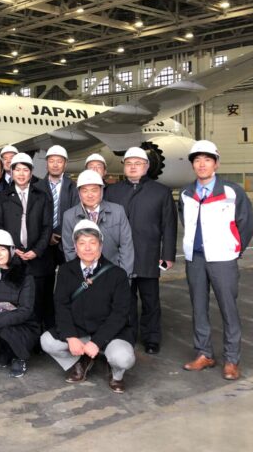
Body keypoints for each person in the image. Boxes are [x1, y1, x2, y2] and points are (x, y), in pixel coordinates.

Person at [178, 140, 253, 381]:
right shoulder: (185, 194)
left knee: (228, 308)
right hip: (195, 259)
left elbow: (246, 224)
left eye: (207, 160)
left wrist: (233, 248)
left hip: (223, 259)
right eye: (197, 160)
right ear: (192, 165)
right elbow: (186, 221)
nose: (202, 164)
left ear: (216, 164)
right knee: (198, 307)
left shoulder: (232, 192)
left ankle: (231, 360)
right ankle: (204, 354)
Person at [41, 220, 135, 393]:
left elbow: (120, 313)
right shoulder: (65, 271)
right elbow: (61, 306)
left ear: (101, 245)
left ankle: (116, 374)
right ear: (75, 247)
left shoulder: (117, 274)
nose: (87, 248)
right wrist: (71, 337)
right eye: (82, 243)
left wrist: (97, 342)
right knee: (47, 341)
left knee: (123, 358)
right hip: (80, 331)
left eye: (92, 242)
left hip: (110, 334)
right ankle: (81, 361)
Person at [105, 147, 177, 354]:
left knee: (150, 300)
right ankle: (127, 336)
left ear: (146, 166)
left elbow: (169, 226)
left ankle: (151, 338)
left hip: (148, 255)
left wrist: (168, 255)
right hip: (119, 257)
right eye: (129, 163)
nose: (133, 167)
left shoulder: (161, 192)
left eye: (138, 163)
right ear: (124, 167)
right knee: (124, 300)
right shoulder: (112, 191)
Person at [0, 153, 53, 333]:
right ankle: (16, 336)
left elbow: (47, 227)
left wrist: (37, 250)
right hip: (12, 259)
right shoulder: (3, 196)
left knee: (38, 301)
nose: (21, 174)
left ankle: (38, 337)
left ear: (31, 173)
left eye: (25, 170)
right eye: (17, 170)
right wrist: (11, 250)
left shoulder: (42, 196)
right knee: (14, 300)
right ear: (11, 172)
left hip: (37, 259)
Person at [0, 230, 39, 378]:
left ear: (11, 251)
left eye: (3, 249)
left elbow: (25, 310)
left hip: (23, 327)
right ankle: (7, 351)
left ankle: (20, 357)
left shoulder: (25, 274)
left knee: (6, 331)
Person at [62, 170, 134, 277]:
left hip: (113, 272)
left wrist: (123, 275)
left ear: (101, 191)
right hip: (84, 276)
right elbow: (70, 250)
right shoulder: (69, 216)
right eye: (85, 191)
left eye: (94, 190)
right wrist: (80, 276)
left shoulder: (117, 211)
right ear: (79, 193)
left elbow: (126, 246)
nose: (90, 195)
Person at [34, 145, 79, 269]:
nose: (55, 165)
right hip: (42, 244)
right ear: (46, 163)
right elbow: (34, 217)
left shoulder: (73, 187)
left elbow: (75, 213)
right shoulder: (37, 187)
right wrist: (47, 236)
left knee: (68, 276)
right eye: (51, 161)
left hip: (66, 243)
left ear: (65, 164)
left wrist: (58, 234)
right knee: (44, 278)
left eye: (59, 161)